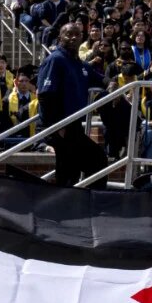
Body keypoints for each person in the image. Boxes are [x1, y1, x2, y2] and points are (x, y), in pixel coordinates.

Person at [37, 22, 108, 187]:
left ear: (82, 38)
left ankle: (77, 204)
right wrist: (57, 126)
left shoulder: (77, 62)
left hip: (73, 124)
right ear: (60, 37)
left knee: (73, 168)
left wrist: (110, 84)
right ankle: (88, 203)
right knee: (95, 160)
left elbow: (98, 78)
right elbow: (45, 95)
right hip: (60, 124)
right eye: (69, 34)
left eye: (77, 34)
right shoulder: (56, 60)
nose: (73, 38)